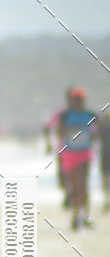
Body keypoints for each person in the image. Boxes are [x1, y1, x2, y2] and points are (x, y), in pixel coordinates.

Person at [57, 87, 98, 230]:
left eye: (80, 99)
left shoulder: (90, 115)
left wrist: (91, 136)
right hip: (69, 154)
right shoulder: (65, 116)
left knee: (83, 184)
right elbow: (59, 132)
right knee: (74, 186)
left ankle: (86, 215)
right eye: (75, 99)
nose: (78, 102)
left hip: (84, 153)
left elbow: (97, 131)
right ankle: (76, 215)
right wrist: (71, 130)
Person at [44, 88, 72, 209]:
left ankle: (72, 193)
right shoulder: (61, 113)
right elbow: (47, 127)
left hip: (80, 151)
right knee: (63, 175)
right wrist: (48, 144)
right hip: (63, 149)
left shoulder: (84, 113)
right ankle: (68, 192)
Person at [98, 109, 110, 213]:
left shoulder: (103, 127)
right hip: (105, 156)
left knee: (105, 180)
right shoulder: (103, 128)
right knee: (105, 180)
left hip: (105, 155)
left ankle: (106, 201)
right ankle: (106, 200)